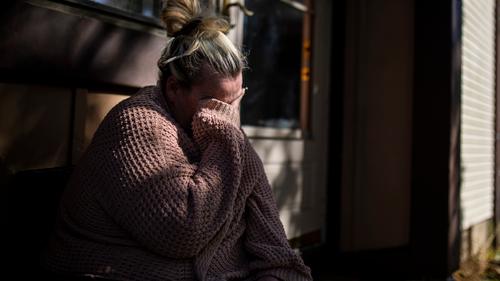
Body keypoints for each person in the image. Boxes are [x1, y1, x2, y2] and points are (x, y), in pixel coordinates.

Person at [44, 0, 313, 280]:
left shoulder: (228, 134)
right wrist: (223, 135)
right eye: (216, 104)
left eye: (236, 101)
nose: (229, 116)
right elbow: (184, 230)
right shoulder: (137, 122)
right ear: (174, 88)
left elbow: (278, 254)